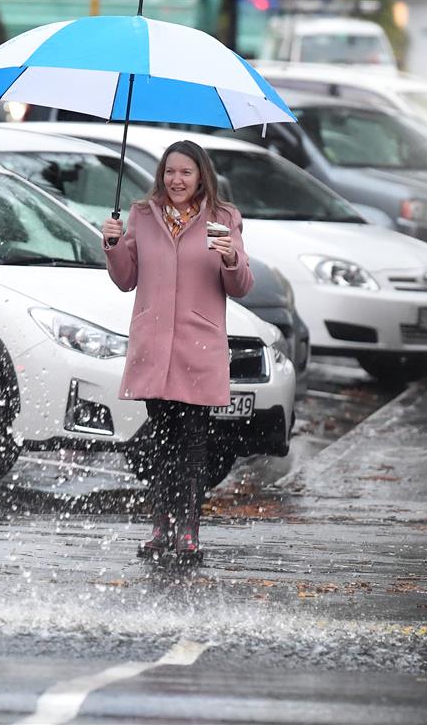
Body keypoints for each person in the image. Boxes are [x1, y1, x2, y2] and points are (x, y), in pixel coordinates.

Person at [101, 140, 254, 562]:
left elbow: (241, 285)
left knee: (192, 442)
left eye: (186, 172)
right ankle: (160, 526)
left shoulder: (224, 219)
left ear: (201, 175)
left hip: (196, 346)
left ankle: (188, 529)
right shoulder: (143, 215)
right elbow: (126, 278)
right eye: (170, 172)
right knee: (162, 441)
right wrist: (113, 245)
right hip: (154, 345)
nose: (177, 180)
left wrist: (229, 259)